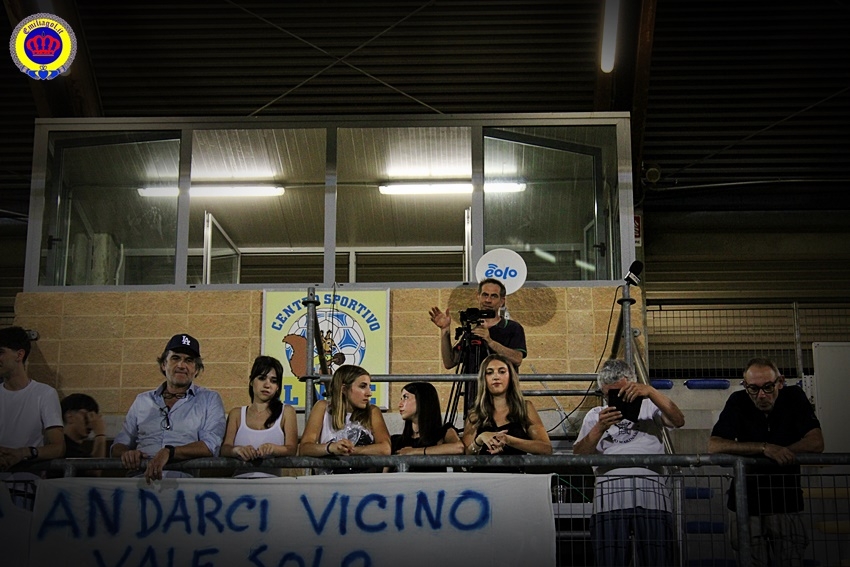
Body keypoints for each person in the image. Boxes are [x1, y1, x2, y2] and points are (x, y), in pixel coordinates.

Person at [708, 357, 824, 567]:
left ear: (781, 382)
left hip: (785, 500)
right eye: (753, 389)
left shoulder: (794, 397)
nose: (761, 395)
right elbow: (715, 445)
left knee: (790, 559)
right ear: (745, 385)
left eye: (768, 387)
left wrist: (782, 452)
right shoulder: (738, 400)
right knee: (751, 560)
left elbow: (816, 442)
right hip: (747, 501)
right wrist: (765, 448)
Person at [573, 358, 685, 567]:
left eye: (623, 392)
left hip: (652, 497)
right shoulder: (595, 415)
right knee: (609, 559)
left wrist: (650, 392)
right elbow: (579, 455)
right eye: (611, 395)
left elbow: (678, 420)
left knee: (659, 558)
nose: (618, 399)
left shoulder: (650, 407)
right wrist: (600, 427)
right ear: (603, 393)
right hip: (609, 499)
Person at [111, 333, 226, 484]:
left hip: (182, 485)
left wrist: (170, 452)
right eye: (175, 358)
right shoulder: (142, 400)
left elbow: (211, 446)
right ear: (163, 365)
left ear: (196, 369)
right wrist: (126, 454)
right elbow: (118, 445)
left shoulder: (209, 399)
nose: (181, 365)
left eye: (189, 360)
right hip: (138, 482)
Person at [429, 277, 527, 414]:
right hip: (473, 400)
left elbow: (517, 359)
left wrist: (490, 341)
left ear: (502, 301)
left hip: (504, 401)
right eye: (485, 295)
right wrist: (445, 330)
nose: (488, 300)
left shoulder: (512, 328)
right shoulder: (472, 328)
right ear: (478, 297)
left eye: (494, 296)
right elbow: (449, 361)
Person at [0, 326, 64, 507]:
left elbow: (58, 447)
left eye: (1, 352)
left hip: (25, 490)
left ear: (19, 355)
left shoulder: (44, 394)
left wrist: (22, 454)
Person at [462, 354, 552, 471]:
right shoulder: (475, 413)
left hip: (515, 478)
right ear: (484, 379)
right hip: (482, 479)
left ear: (510, 376)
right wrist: (480, 439)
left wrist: (508, 440)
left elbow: (546, 449)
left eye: (502, 371)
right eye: (489, 372)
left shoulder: (525, 408)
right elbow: (465, 457)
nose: (496, 377)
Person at [299, 364, 390, 472]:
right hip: (330, 480)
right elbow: (305, 448)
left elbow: (385, 448)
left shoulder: (372, 411)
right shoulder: (322, 407)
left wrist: (350, 450)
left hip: (364, 480)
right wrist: (331, 448)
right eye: (362, 386)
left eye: (369, 387)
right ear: (344, 389)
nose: (369, 393)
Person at [220, 355, 298, 478]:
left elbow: (292, 449)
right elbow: (225, 448)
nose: (267, 385)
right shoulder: (236, 413)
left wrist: (274, 449)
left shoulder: (287, 412)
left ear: (278, 387)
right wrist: (237, 450)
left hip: (272, 485)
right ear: (251, 381)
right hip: (239, 484)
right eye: (262, 378)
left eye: (273, 381)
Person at [388, 381, 463, 472]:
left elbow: (459, 448)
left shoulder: (443, 433)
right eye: (401, 398)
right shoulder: (397, 441)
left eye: (406, 397)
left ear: (422, 400)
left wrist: (415, 452)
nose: (400, 404)